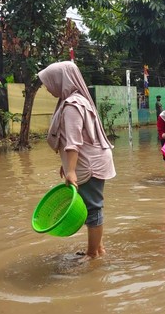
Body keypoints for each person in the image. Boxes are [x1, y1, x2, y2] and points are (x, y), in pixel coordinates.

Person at [37, 61, 116, 261]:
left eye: (49, 82)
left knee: (93, 207)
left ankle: (92, 255)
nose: (47, 87)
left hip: (89, 163)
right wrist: (66, 166)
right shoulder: (74, 101)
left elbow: (73, 142)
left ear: (60, 80)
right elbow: (72, 142)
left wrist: (71, 169)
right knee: (92, 205)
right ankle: (99, 249)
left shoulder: (73, 105)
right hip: (89, 160)